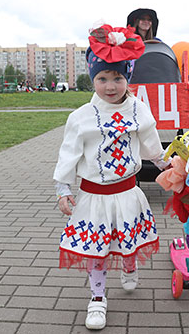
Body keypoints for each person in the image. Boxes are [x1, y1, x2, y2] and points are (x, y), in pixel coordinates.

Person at [53, 23, 170, 330]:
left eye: (117, 77)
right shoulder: (80, 118)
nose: (110, 85)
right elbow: (69, 154)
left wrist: (166, 165)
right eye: (102, 78)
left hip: (128, 192)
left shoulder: (138, 110)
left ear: (127, 77)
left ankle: (129, 267)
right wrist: (64, 187)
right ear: (93, 78)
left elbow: (151, 143)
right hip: (93, 197)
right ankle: (97, 297)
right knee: (98, 249)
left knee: (128, 240)